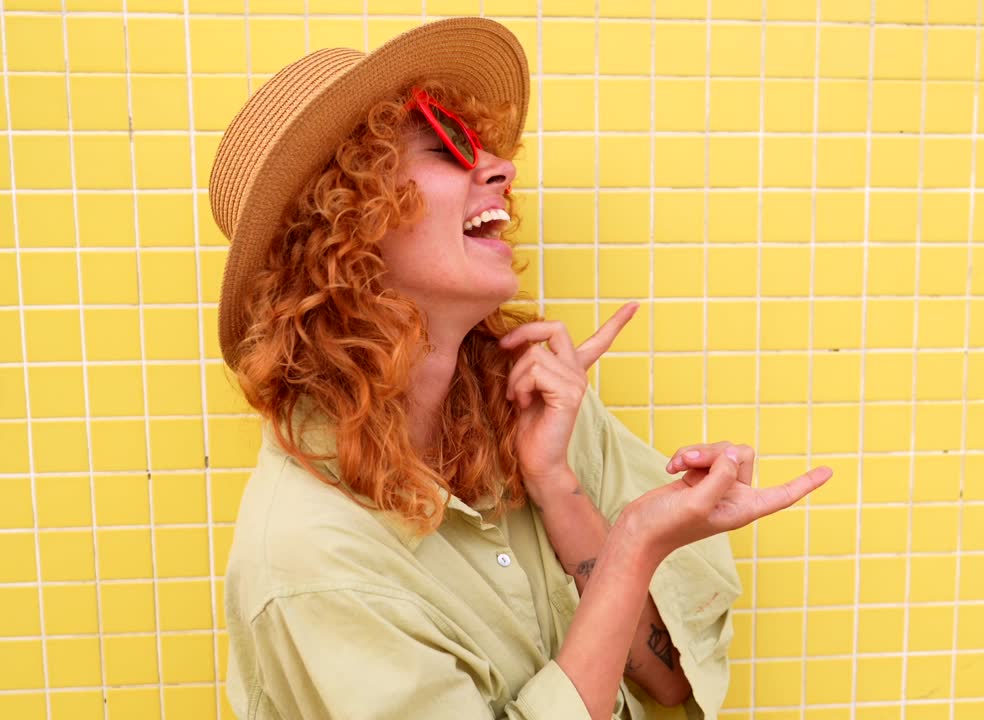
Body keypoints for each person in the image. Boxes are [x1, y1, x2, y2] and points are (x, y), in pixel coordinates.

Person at [209, 17, 831, 720]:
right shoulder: (309, 562)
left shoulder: (538, 407)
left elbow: (671, 684)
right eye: (446, 148)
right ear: (348, 228)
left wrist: (559, 489)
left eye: (481, 144)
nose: (501, 168)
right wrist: (629, 548)